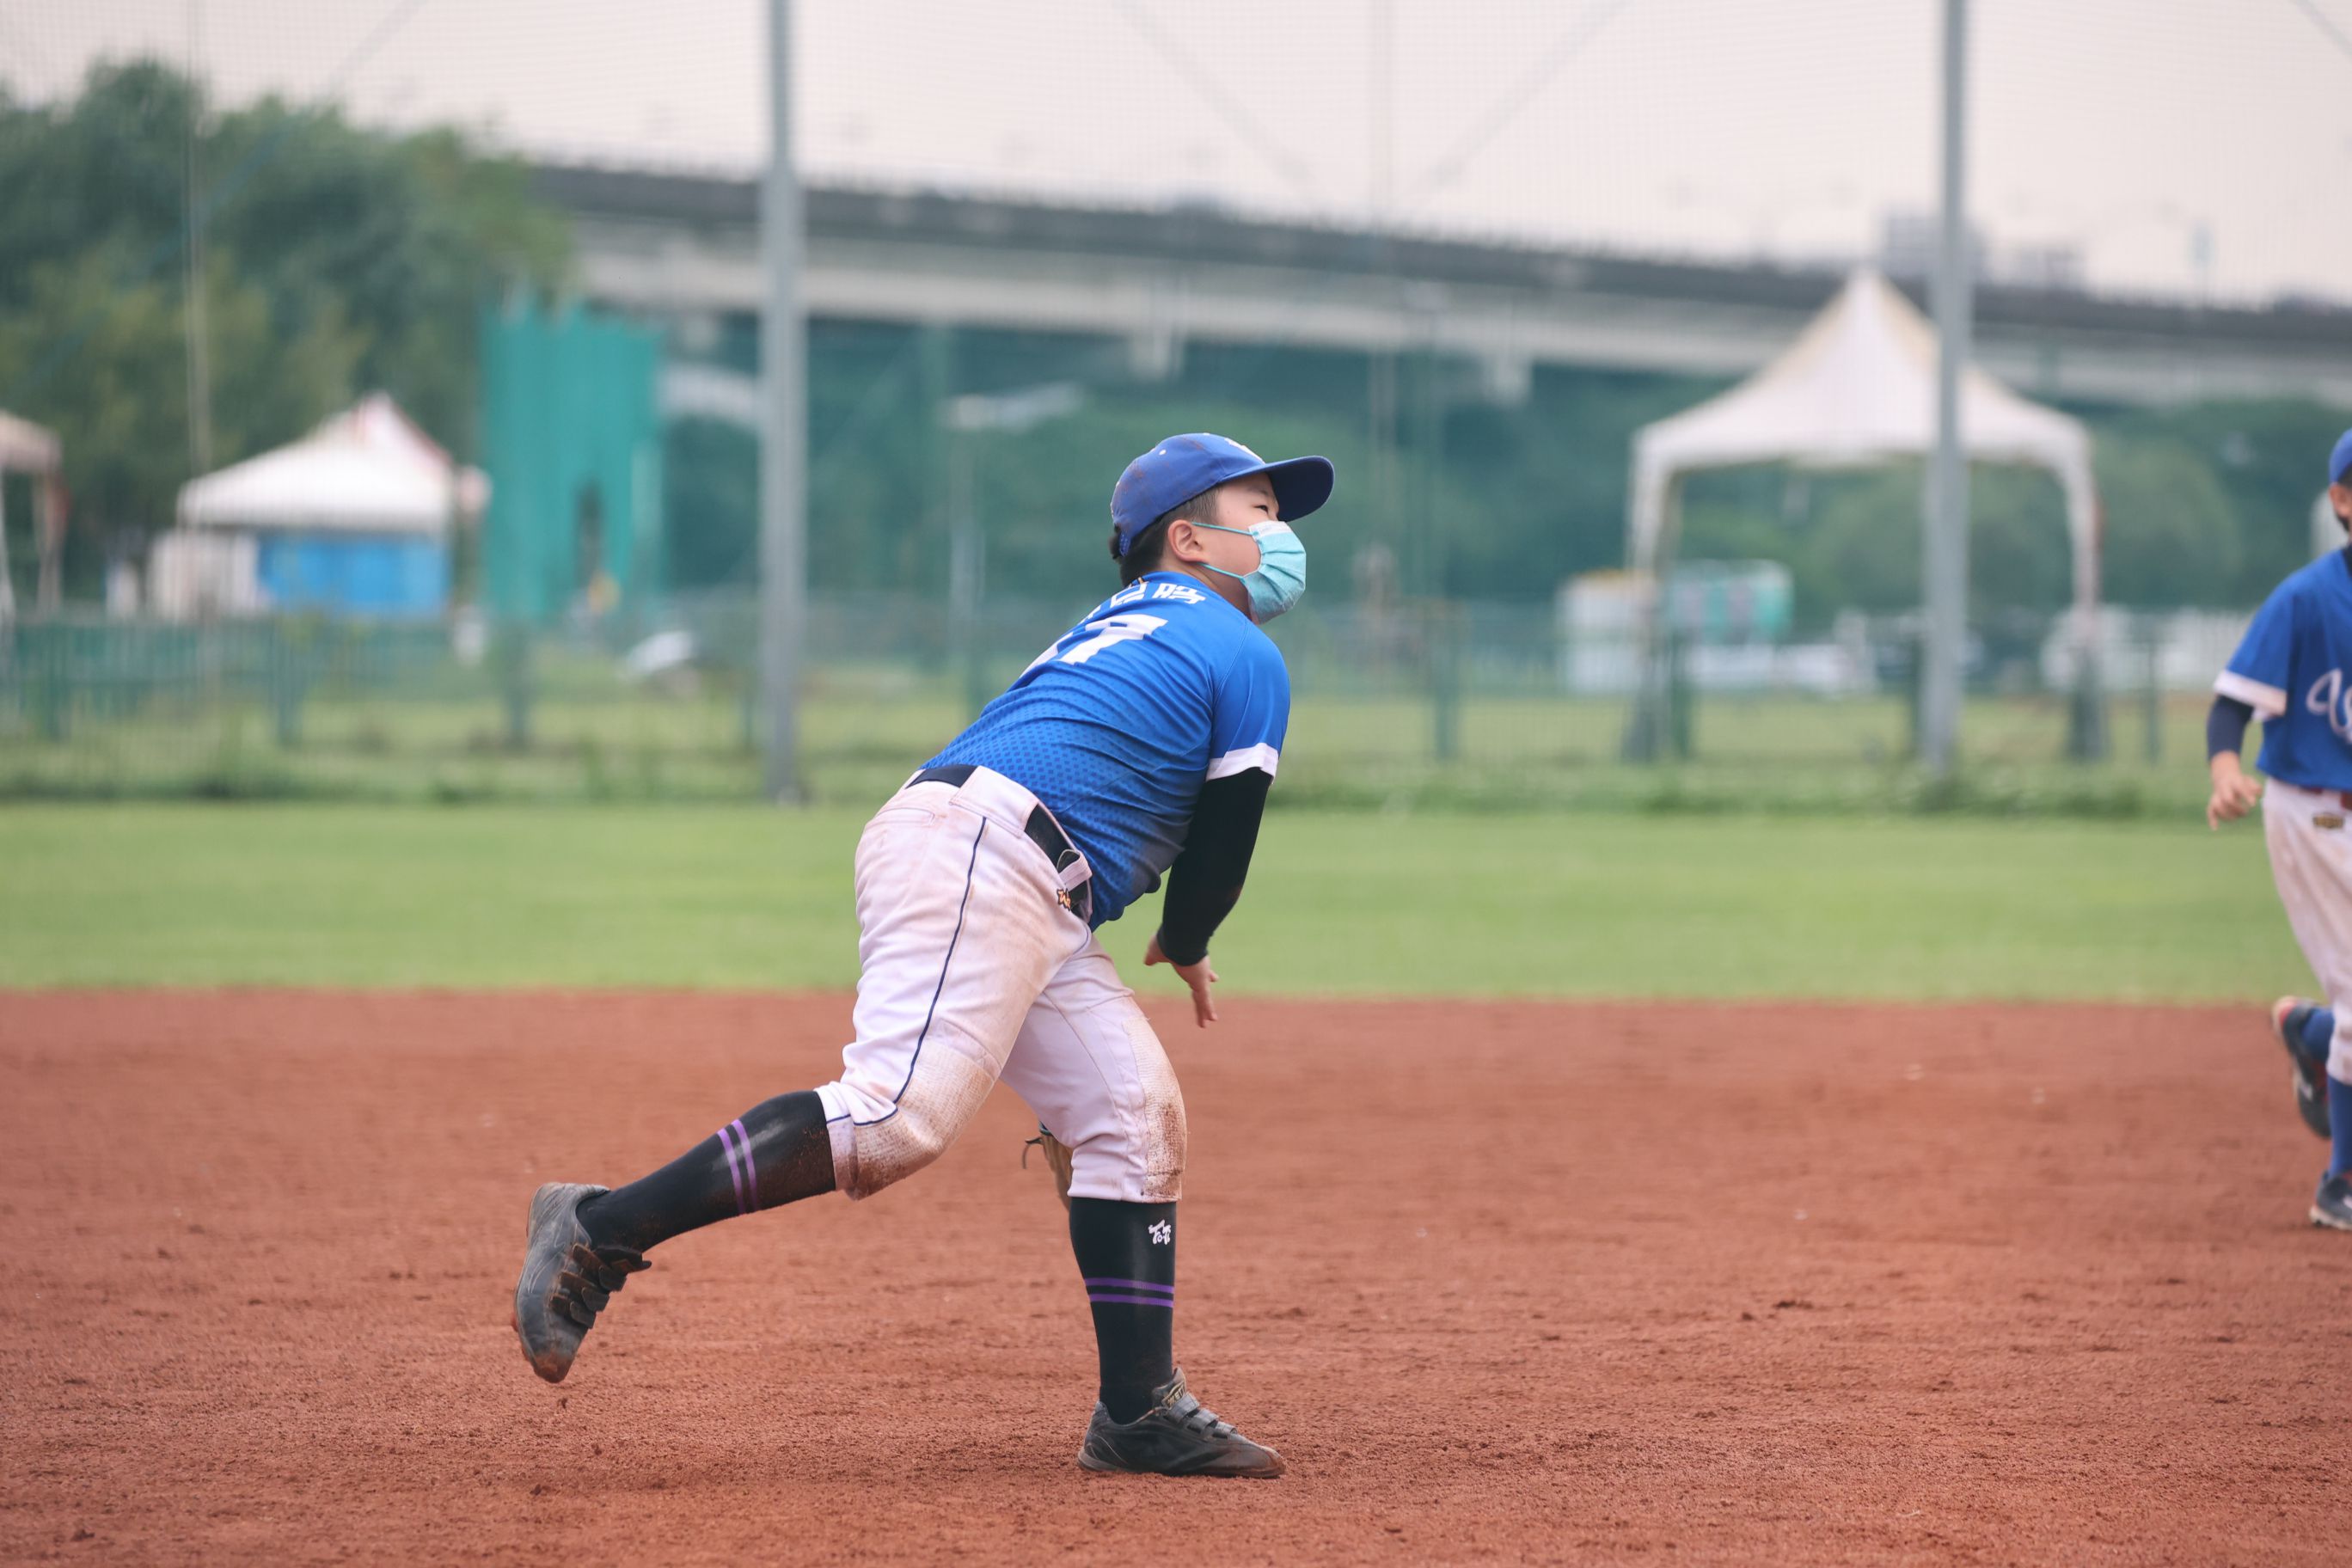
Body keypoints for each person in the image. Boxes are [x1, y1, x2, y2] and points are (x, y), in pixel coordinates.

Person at [511, 433, 1331, 1477]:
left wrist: (1175, 927)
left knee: (1132, 1117)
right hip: (992, 857)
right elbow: (1223, 847)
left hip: (1011, 866)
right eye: (1259, 512)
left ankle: (1139, 1411)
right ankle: (600, 1225)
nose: (1282, 534)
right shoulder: (1240, 649)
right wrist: (1188, 938)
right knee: (895, 1118)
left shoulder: (1125, 625)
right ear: (1188, 539)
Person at [2207, 426, 2352, 1231]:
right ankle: (2341, 1184)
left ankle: (2311, 1032)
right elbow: (2232, 704)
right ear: (2341, 500)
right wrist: (2226, 771)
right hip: (2313, 815)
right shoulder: (2305, 599)